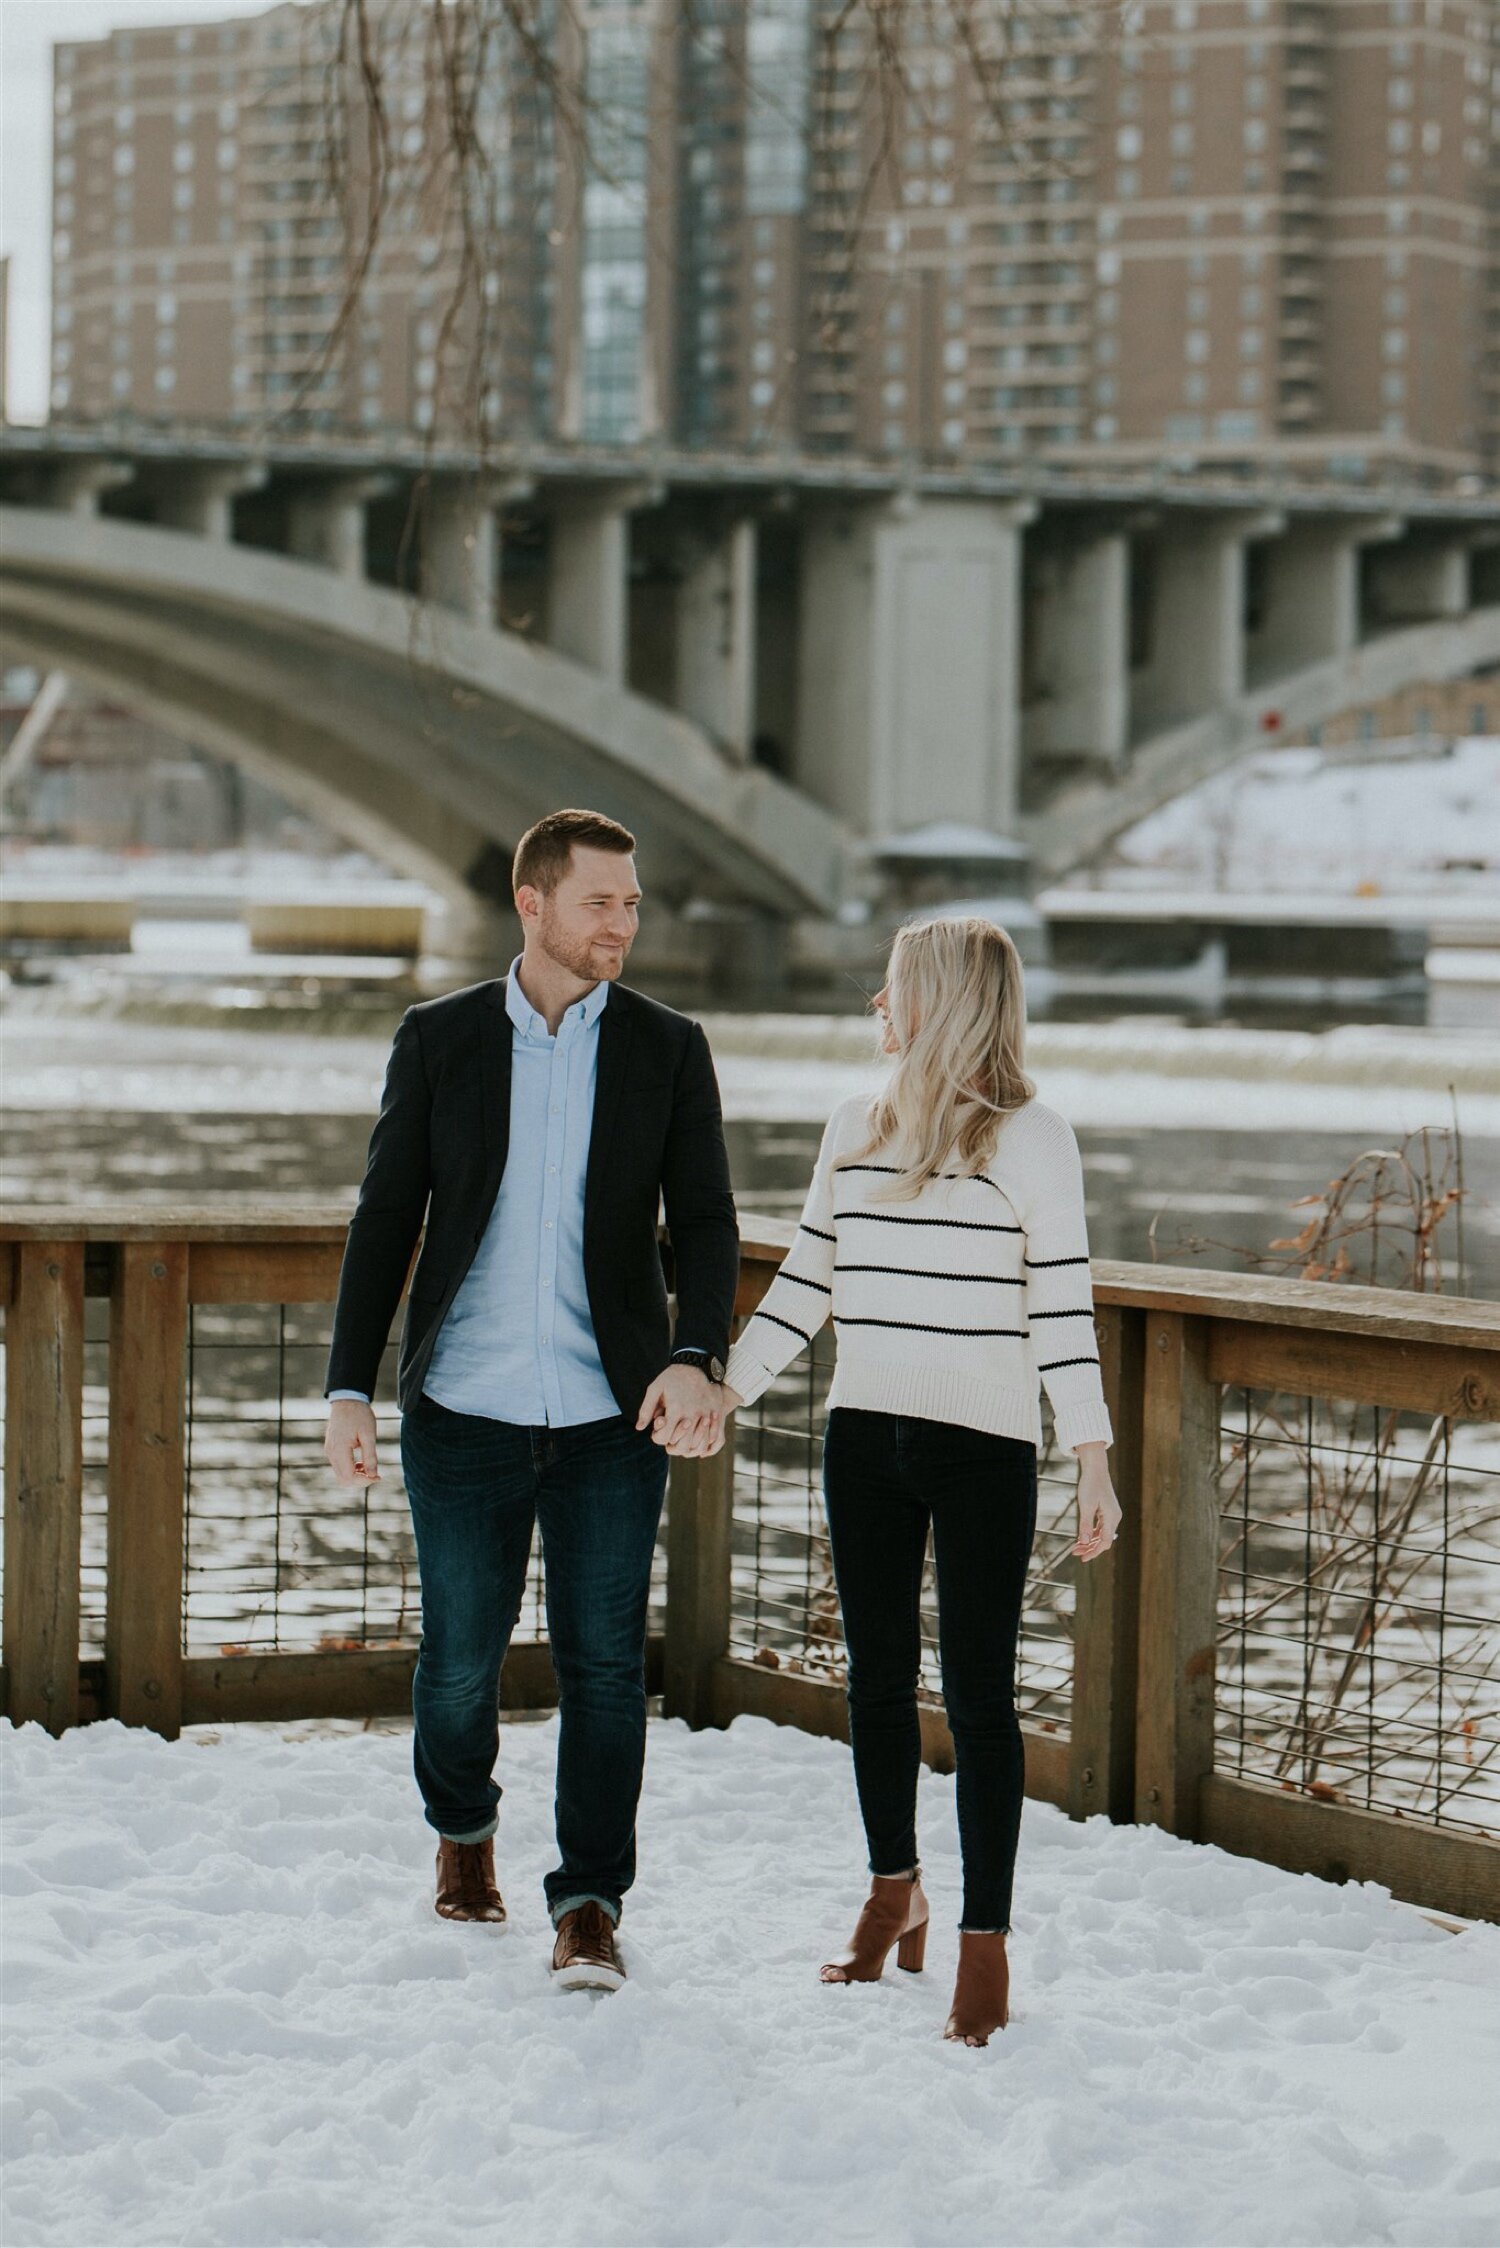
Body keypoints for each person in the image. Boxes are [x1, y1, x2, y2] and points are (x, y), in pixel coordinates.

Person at [323, 809, 737, 1993]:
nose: (625, 922)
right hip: (463, 1407)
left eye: (634, 902)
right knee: (459, 1656)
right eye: (602, 900)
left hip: (616, 1416)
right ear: (535, 903)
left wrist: (695, 1351)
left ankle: (591, 1903)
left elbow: (705, 1220)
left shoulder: (668, 1046)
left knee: (607, 1664)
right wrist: (350, 1385)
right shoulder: (440, 1037)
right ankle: (463, 1832)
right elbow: (385, 1216)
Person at [718, 916, 1121, 2047]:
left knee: (982, 1698)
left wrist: (1092, 1454)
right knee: (878, 1682)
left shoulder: (1036, 1140)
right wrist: (730, 1389)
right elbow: (808, 1278)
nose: (875, 1007)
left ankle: (983, 1943)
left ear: (939, 998)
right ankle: (894, 1890)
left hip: (986, 1447)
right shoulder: (855, 1124)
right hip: (866, 1437)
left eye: (891, 987)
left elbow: (1062, 1310)